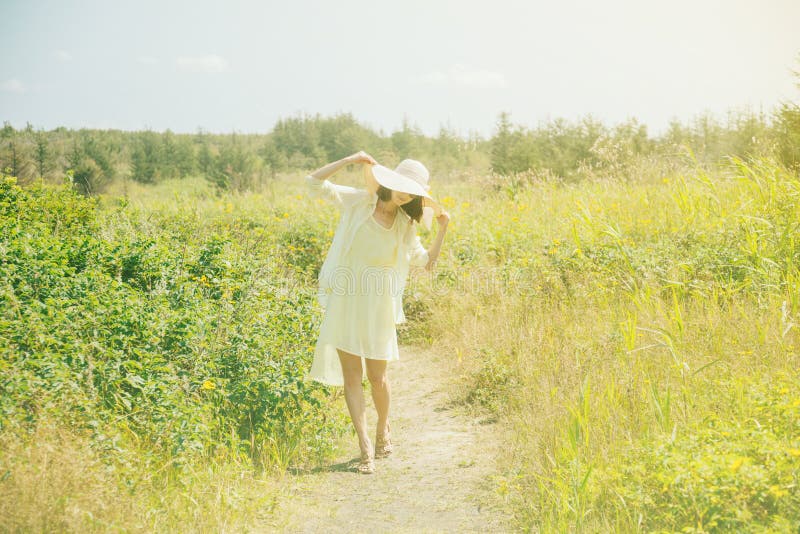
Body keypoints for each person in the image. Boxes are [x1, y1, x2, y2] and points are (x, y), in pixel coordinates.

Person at [304, 150, 449, 474]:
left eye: (412, 192)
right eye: (402, 186)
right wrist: (349, 160)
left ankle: (384, 427)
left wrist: (441, 229)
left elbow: (426, 263)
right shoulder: (359, 202)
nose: (405, 194)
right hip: (347, 301)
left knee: (378, 378)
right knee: (352, 378)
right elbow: (314, 184)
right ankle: (364, 445)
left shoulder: (404, 225)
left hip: (379, 305)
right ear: (389, 181)